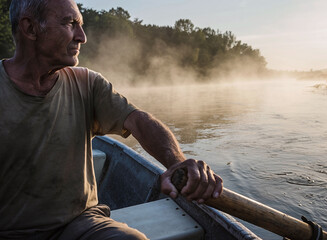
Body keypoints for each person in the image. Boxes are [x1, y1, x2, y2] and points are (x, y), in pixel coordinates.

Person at [0, 0, 223, 239]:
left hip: (81, 223)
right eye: (70, 23)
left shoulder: (86, 83)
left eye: (81, 25)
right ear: (31, 28)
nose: (82, 36)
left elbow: (138, 120)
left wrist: (177, 162)